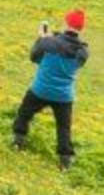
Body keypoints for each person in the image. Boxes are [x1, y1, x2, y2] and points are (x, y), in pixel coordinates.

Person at [10, 9, 88, 165]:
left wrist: (41, 39)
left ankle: (19, 141)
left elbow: (34, 57)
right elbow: (75, 63)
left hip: (41, 89)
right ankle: (65, 160)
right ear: (81, 28)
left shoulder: (49, 42)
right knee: (64, 128)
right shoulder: (83, 51)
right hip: (64, 96)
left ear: (66, 23)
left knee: (24, 114)